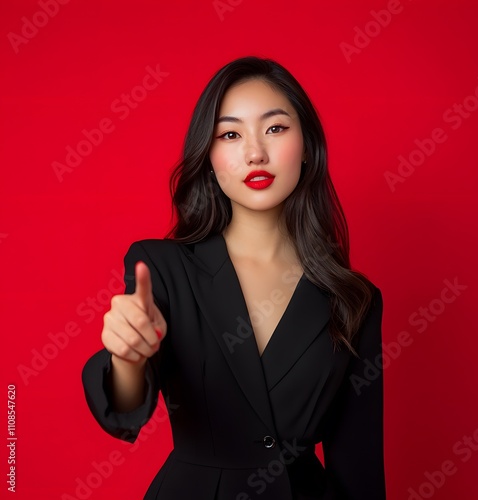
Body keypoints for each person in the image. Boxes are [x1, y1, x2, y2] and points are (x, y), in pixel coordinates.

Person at [81, 56, 387, 499]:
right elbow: (125, 408)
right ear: (208, 158)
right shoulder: (163, 267)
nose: (255, 152)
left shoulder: (354, 299)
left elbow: (359, 467)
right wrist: (127, 358)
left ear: (307, 147)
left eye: (275, 128)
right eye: (230, 134)